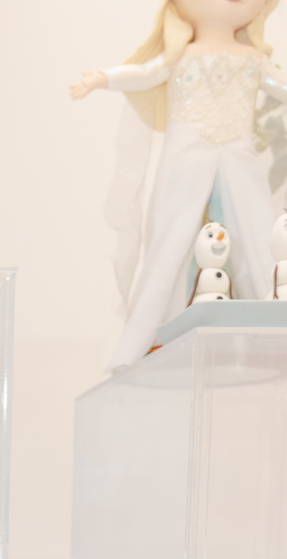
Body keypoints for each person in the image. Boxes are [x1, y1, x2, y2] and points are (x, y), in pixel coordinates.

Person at [71, 1, 287, 371]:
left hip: (239, 157)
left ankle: (272, 324)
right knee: (170, 239)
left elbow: (279, 85)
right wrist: (102, 78)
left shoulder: (252, 58)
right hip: (185, 157)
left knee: (259, 232)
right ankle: (151, 334)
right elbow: (145, 72)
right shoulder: (179, 57)